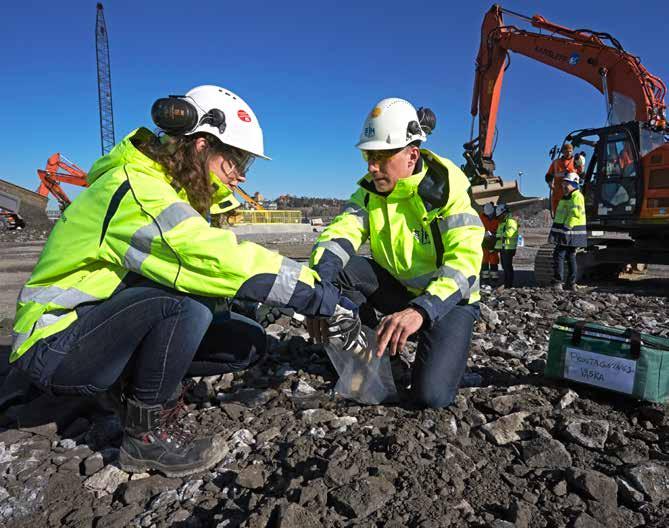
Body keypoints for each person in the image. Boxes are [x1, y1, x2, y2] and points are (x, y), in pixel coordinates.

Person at [9, 85, 357, 477]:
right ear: (201, 145)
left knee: (244, 342)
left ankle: (122, 388)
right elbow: (209, 257)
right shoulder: (138, 190)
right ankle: (144, 439)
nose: (240, 174)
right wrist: (317, 296)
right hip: (54, 345)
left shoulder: (170, 191)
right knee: (184, 300)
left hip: (95, 330)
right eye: (235, 160)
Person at [307, 98, 484, 408]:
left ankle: (438, 358)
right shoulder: (369, 191)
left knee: (431, 397)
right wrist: (317, 288)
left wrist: (422, 310)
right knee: (345, 271)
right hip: (401, 293)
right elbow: (338, 235)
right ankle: (368, 360)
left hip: (448, 301)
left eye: (381, 156)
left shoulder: (445, 189)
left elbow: (465, 262)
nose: (372, 166)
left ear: (411, 155)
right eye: (368, 156)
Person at [549, 172, 587, 290]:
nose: (564, 187)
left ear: (574, 185)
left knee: (559, 254)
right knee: (570, 256)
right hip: (566, 230)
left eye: (567, 184)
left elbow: (575, 214)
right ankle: (571, 283)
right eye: (563, 184)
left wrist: (566, 228)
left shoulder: (576, 196)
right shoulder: (567, 197)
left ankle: (558, 281)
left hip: (569, 231)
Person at [545, 143, 581, 216]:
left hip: (571, 193)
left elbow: (581, 174)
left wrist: (580, 163)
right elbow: (549, 175)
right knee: (558, 213)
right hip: (557, 192)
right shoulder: (556, 162)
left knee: (570, 212)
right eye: (567, 151)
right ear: (562, 152)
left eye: (570, 151)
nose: (568, 153)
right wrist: (549, 183)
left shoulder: (576, 162)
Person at [493, 203, 519, 289]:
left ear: (504, 213)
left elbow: (510, 233)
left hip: (508, 248)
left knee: (508, 267)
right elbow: (500, 234)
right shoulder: (503, 223)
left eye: (500, 215)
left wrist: (496, 236)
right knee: (505, 267)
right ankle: (506, 284)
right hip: (504, 248)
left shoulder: (511, 221)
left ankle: (509, 285)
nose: (499, 217)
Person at [479, 202, 500, 283]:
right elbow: (477, 227)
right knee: (484, 261)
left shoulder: (497, 218)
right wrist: (483, 233)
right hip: (484, 242)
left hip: (494, 243)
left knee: (494, 261)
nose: (489, 216)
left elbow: (500, 229)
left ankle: (494, 279)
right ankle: (485, 279)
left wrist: (493, 234)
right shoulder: (481, 217)